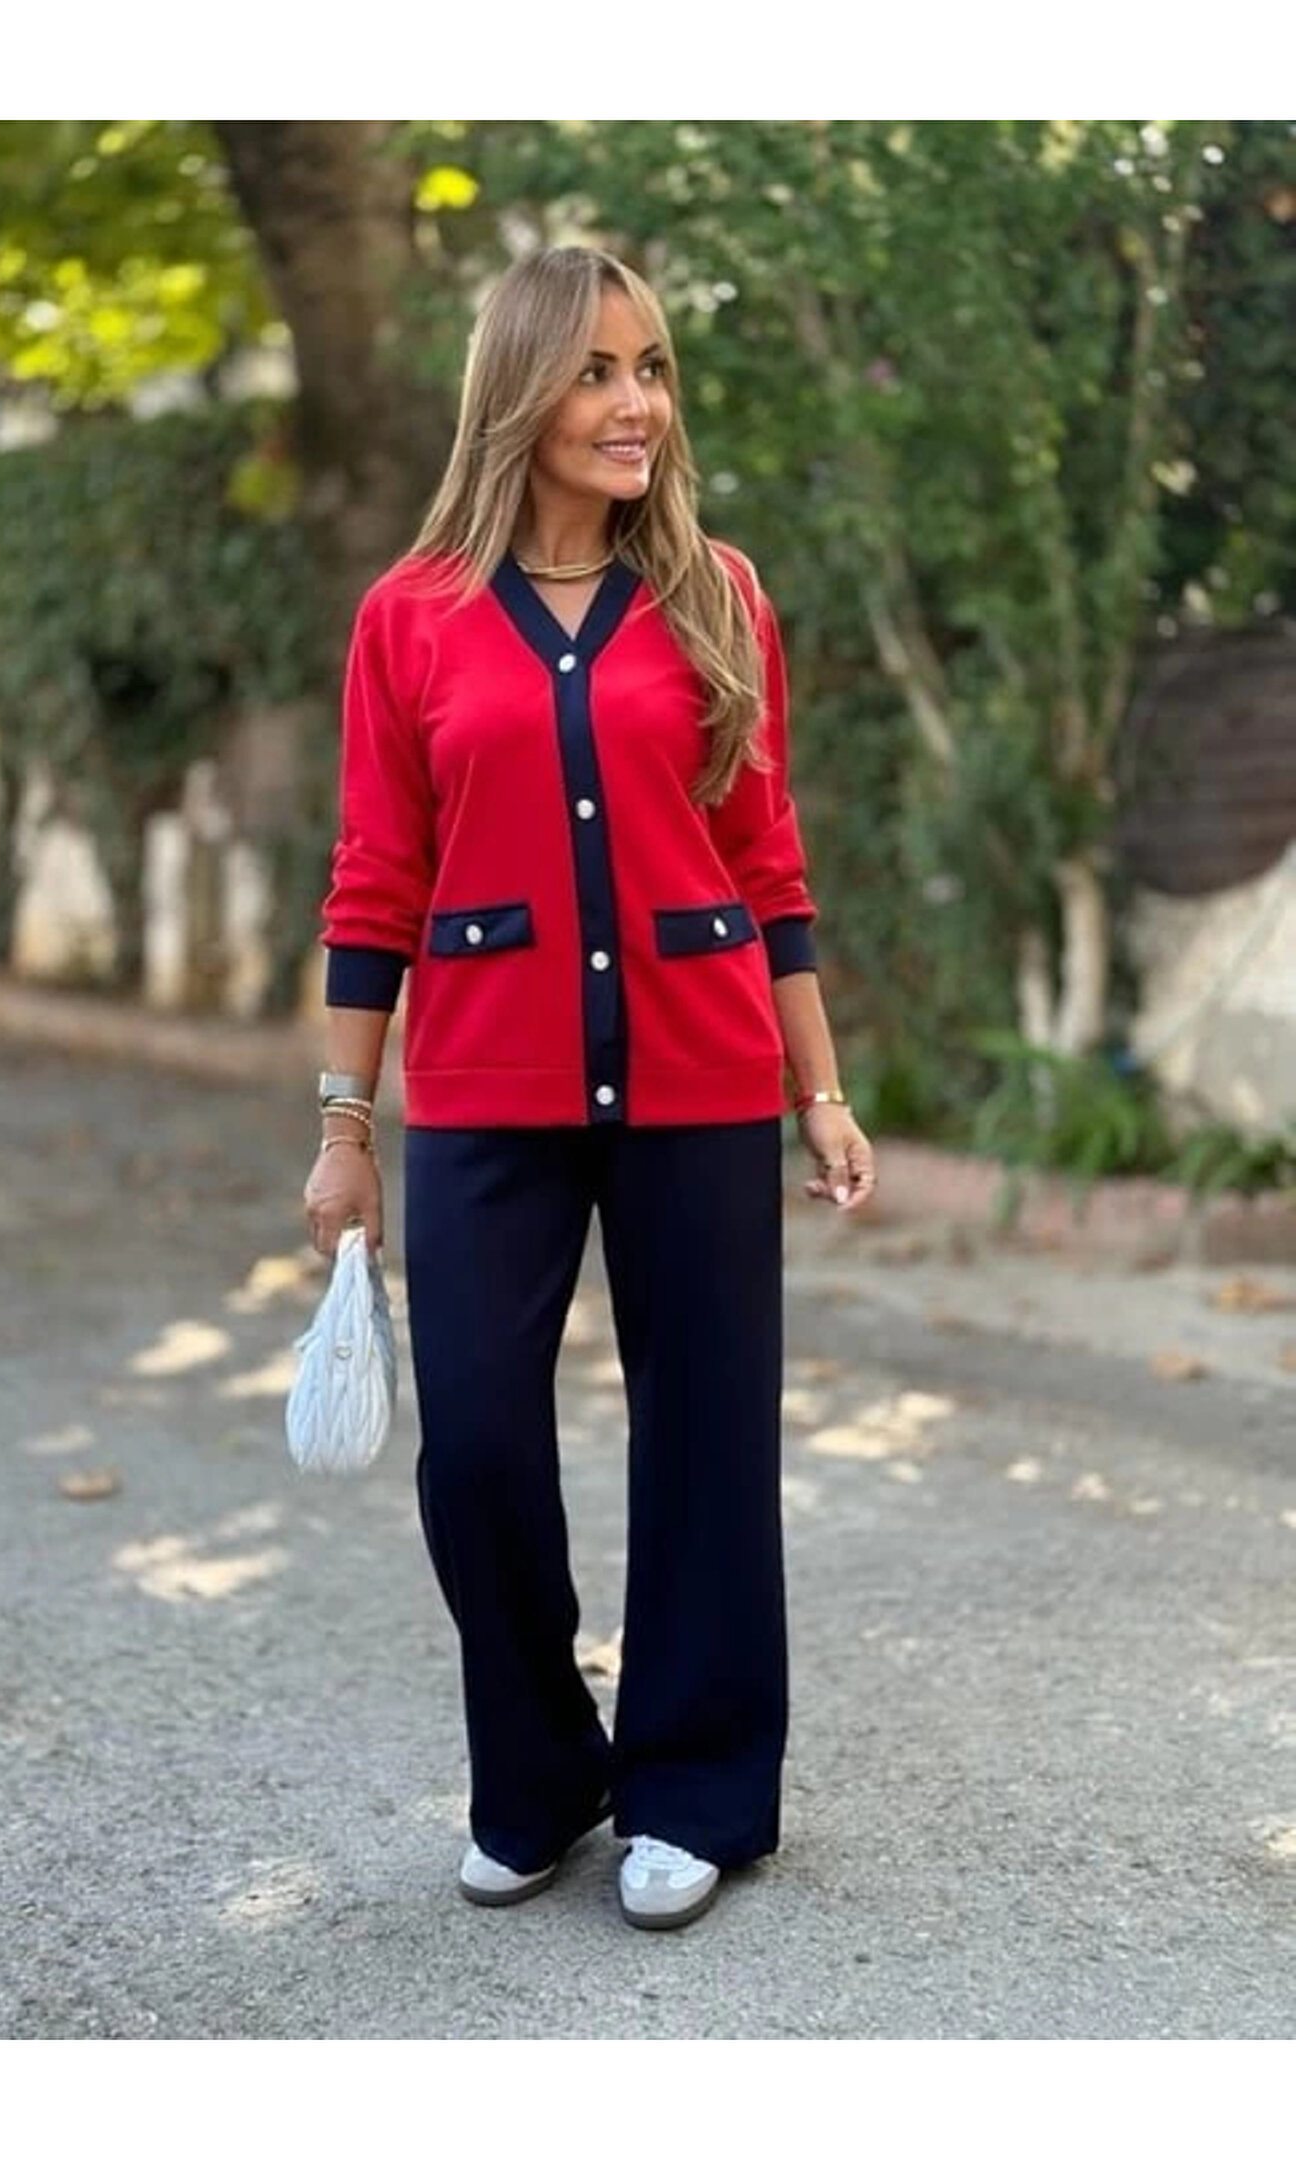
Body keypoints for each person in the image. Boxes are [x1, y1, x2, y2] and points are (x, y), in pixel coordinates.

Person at [304, 245, 877, 1932]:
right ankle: (547, 1773)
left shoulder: (718, 593)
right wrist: (345, 1128)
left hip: (704, 1074)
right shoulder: (411, 616)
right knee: (476, 1450)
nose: (639, 405)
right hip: (487, 1082)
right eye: (600, 372)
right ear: (520, 394)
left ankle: (696, 1790)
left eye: (654, 370)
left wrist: (821, 1091)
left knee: (708, 1443)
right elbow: (374, 880)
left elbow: (766, 860)